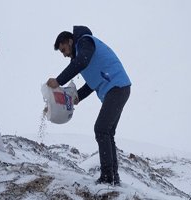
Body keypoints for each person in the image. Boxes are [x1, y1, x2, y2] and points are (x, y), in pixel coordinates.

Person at [47, 26, 131, 185]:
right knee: (107, 132)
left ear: (70, 41)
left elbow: (82, 61)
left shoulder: (85, 42)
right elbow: (92, 82)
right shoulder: (81, 54)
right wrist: (77, 97)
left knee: (101, 129)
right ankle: (114, 177)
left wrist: (58, 80)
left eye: (64, 49)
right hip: (119, 88)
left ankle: (107, 178)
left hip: (117, 88)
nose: (64, 54)